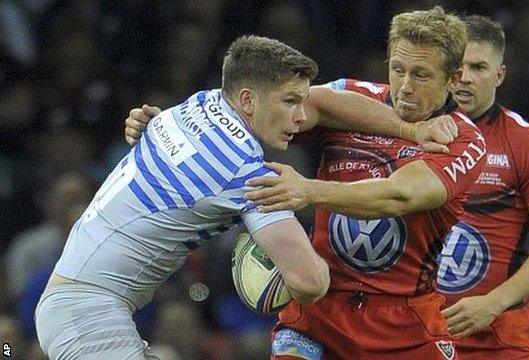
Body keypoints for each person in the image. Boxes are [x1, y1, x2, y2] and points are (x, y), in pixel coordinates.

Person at [125, 7, 486, 359]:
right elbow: (265, 109)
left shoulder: (463, 140)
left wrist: (309, 190)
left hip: (403, 326)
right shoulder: (351, 97)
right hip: (318, 314)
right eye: (397, 69)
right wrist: (172, 127)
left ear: (453, 79)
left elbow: (399, 196)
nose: (405, 86)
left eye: (421, 75)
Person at [34, 35, 336, 360]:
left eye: (303, 102)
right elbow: (308, 283)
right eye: (290, 101)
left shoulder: (194, 106)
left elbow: (158, 135)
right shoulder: (244, 172)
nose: (302, 116)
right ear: (247, 100)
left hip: (76, 309)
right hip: (88, 317)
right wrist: (330, 263)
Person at [436, 15, 529, 359]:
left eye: (479, 67)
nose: (465, 78)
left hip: (494, 337)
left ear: (499, 75)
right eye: (458, 66)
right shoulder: (408, 132)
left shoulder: (528, 144)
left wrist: (493, 303)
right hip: (415, 331)